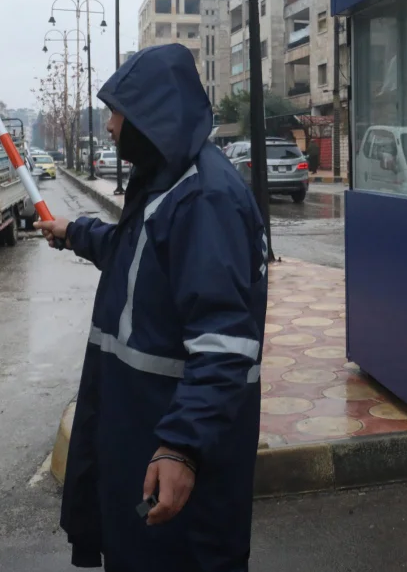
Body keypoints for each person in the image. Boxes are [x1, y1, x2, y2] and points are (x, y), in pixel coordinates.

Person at [35, 43, 268, 572]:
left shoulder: (204, 199)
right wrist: (72, 233)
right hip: (141, 439)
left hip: (176, 464)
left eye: (117, 111)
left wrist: (181, 446)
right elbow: (135, 253)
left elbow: (224, 343)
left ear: (152, 114)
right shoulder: (165, 184)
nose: (110, 125)